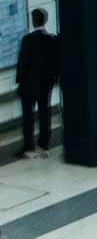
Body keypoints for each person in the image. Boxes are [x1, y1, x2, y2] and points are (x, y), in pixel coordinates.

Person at [16, 8, 57, 160]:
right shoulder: (51, 39)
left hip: (28, 83)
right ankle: (43, 144)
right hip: (45, 83)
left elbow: (22, 62)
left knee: (28, 116)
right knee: (44, 112)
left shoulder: (28, 40)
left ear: (33, 21)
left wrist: (19, 80)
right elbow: (54, 62)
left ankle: (29, 146)